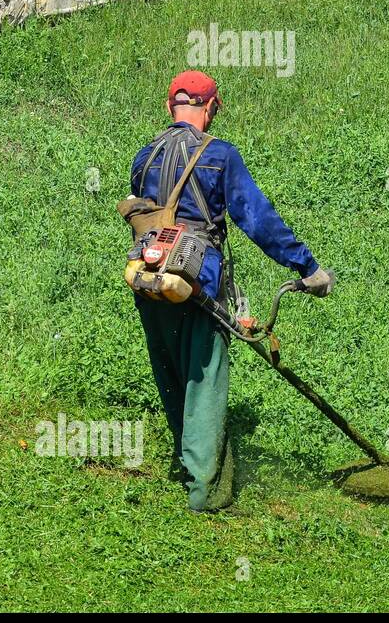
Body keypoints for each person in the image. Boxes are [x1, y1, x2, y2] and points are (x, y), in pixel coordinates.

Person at [129, 70, 333, 511]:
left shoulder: (143, 158)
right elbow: (257, 219)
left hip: (149, 280)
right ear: (213, 107)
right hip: (198, 282)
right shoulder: (218, 155)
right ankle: (204, 493)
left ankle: (189, 464)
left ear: (170, 108)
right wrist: (308, 268)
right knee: (204, 380)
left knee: (172, 373)